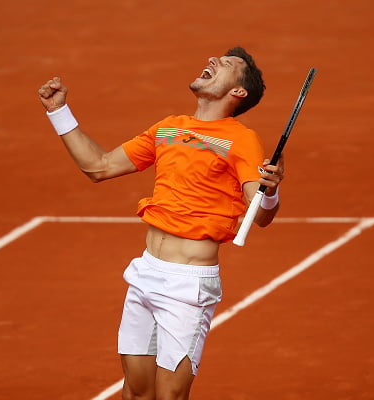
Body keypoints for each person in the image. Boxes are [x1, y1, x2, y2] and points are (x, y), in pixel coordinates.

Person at [38, 47, 284, 400]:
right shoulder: (169, 128)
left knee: (170, 397)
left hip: (188, 287)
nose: (213, 60)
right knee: (136, 393)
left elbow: (258, 214)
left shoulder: (242, 139)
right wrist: (58, 111)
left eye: (227, 64)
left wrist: (270, 193)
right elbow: (100, 167)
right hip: (145, 273)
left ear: (238, 92)